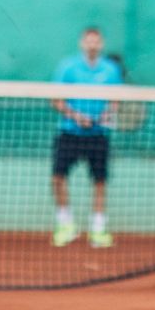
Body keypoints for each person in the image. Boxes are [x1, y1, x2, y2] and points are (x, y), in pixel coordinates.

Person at [51, 27, 122, 248]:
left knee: (100, 181)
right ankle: (65, 225)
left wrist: (107, 114)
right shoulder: (67, 67)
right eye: (88, 41)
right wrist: (77, 117)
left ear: (101, 44)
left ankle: (98, 229)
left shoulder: (110, 70)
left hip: (98, 135)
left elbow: (116, 99)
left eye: (96, 41)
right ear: (82, 43)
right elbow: (56, 99)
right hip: (69, 133)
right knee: (57, 178)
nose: (92, 45)